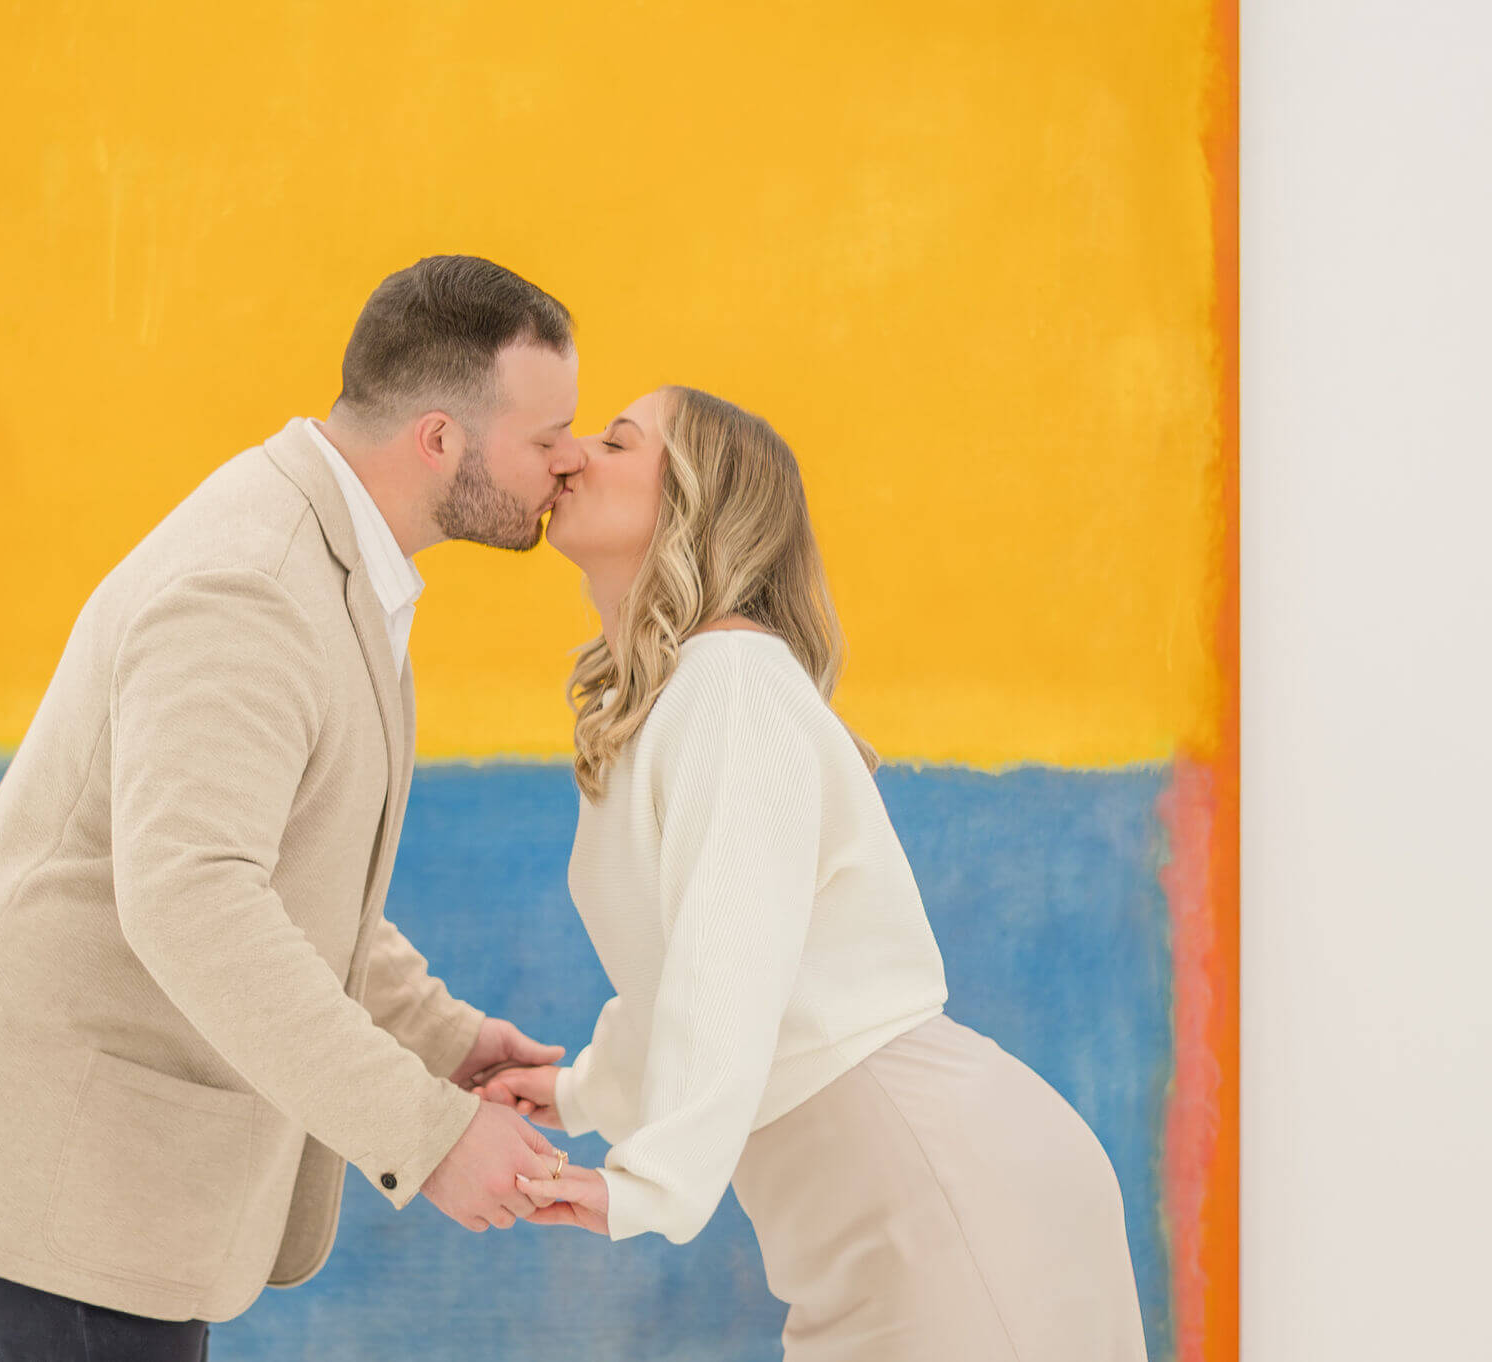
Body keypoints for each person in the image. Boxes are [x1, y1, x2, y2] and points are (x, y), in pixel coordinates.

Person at [0, 256, 586, 1360]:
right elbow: (195, 902)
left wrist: (443, 1040)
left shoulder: (332, 564)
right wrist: (425, 1136)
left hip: (96, 1169)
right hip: (38, 1163)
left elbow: (280, 876)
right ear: (438, 439)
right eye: (545, 435)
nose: (565, 463)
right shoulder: (252, 586)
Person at [476, 386, 1151, 1360]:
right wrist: (578, 1095)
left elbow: (730, 958)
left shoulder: (731, 680)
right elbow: (682, 970)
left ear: (694, 503)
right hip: (864, 1215)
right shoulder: (673, 700)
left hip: (938, 1197)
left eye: (615, 441)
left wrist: (650, 1183)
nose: (570, 454)